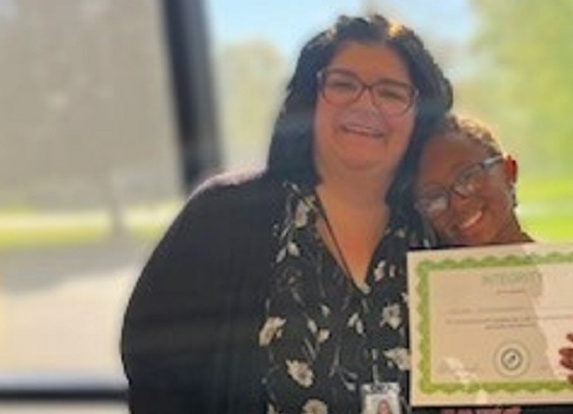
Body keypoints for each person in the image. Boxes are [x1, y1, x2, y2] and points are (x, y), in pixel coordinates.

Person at [121, 14, 452, 414]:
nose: (366, 104)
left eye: (392, 93)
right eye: (343, 84)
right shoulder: (224, 214)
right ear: (310, 102)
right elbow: (156, 367)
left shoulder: (443, 227)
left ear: (419, 117)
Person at [413, 114, 573, 414]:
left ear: (509, 171)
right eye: (434, 196)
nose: (456, 202)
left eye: (468, 177)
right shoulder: (421, 302)